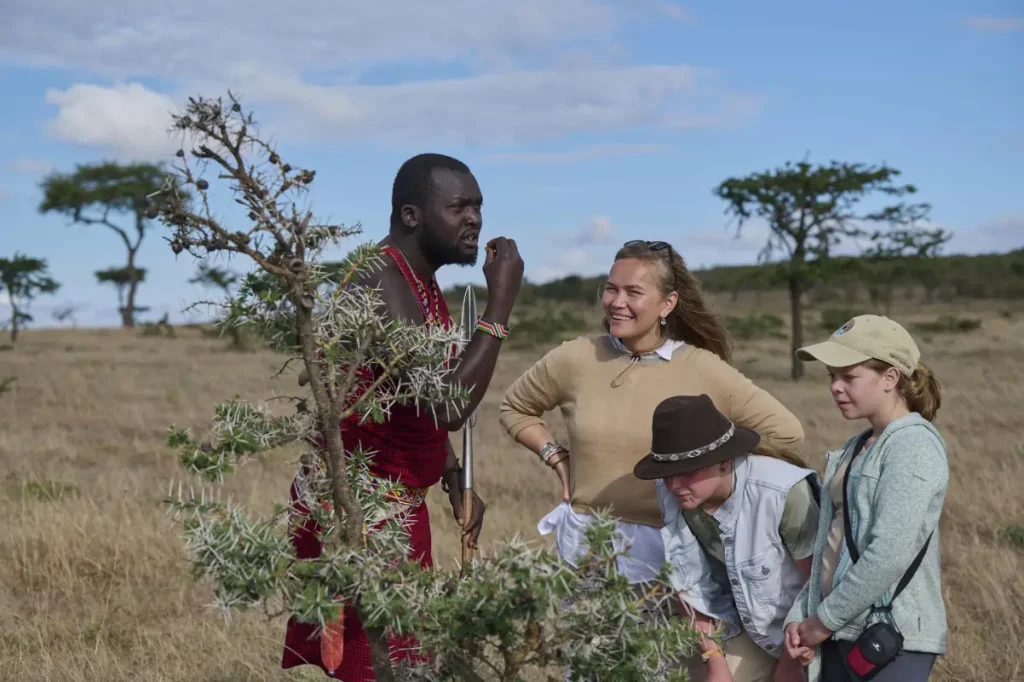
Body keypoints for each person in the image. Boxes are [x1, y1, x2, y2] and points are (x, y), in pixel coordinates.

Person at [497, 239, 805, 676]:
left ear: (668, 303)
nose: (616, 303)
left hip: (669, 551)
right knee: (588, 668)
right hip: (587, 546)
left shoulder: (701, 367)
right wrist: (556, 457)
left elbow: (786, 431)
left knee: (657, 669)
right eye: (610, 289)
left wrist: (714, 477)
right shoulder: (576, 356)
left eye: (632, 292)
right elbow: (514, 407)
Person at [281, 153, 525, 679]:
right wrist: (499, 307)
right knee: (385, 666)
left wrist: (453, 475)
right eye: (459, 206)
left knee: (407, 659)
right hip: (363, 511)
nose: (475, 219)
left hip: (392, 503)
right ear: (412, 215)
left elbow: (406, 404)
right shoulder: (380, 280)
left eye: (478, 207)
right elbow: (448, 404)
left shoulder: (418, 282)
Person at [782, 314, 948, 682]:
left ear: (891, 378)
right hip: (843, 630)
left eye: (849, 376)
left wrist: (821, 622)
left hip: (889, 636)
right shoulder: (856, 446)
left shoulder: (912, 445)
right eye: (832, 376)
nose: (835, 388)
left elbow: (887, 554)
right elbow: (832, 545)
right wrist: (802, 617)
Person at [634, 394, 821, 682]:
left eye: (686, 472)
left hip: (803, 635)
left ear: (723, 462)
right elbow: (690, 584)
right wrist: (714, 662)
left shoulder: (784, 494)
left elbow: (818, 587)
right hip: (741, 627)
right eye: (667, 473)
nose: (673, 485)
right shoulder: (674, 494)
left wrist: (790, 662)